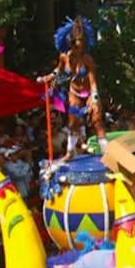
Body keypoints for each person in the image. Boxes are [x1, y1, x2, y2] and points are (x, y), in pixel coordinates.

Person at [38, 16, 107, 160]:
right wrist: (49, 77)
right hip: (74, 93)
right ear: (71, 42)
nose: (80, 46)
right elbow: (59, 71)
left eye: (82, 43)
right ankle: (70, 152)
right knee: (72, 123)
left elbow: (93, 81)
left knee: (97, 120)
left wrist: (94, 98)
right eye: (77, 43)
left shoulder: (88, 59)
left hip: (89, 93)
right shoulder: (64, 57)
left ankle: (106, 152)